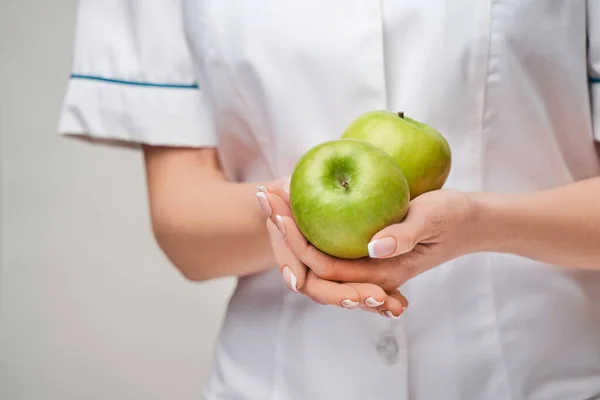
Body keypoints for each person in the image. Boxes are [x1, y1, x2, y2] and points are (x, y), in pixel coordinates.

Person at [58, 1, 600, 399]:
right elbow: (183, 228)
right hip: (283, 380)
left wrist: (480, 223)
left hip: (542, 373)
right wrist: (295, 218)